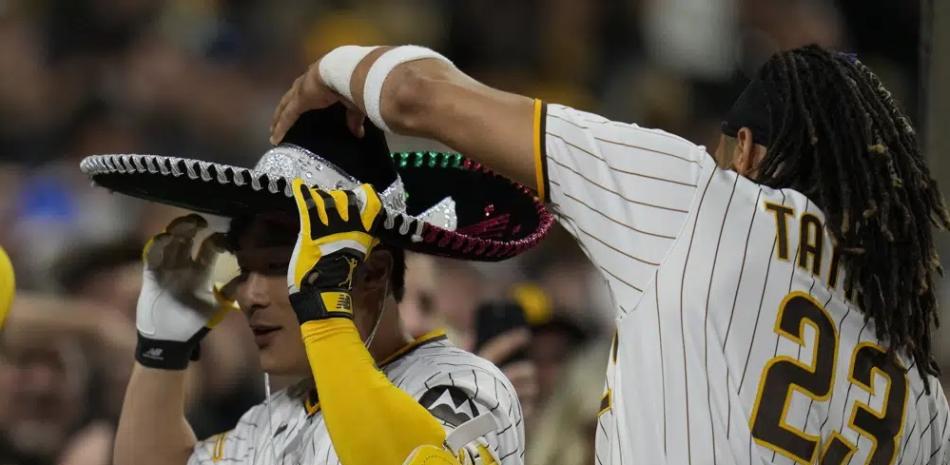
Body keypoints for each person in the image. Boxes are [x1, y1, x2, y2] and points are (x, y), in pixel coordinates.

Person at [270, 44, 950, 464]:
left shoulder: (706, 202)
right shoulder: (923, 388)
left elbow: (415, 94)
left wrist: (331, 68)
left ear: (745, 148)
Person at [85, 105, 553, 465]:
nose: (248, 295)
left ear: (370, 273)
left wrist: (327, 320)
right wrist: (160, 355)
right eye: (244, 270)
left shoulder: (464, 384)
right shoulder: (270, 421)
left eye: (276, 266)